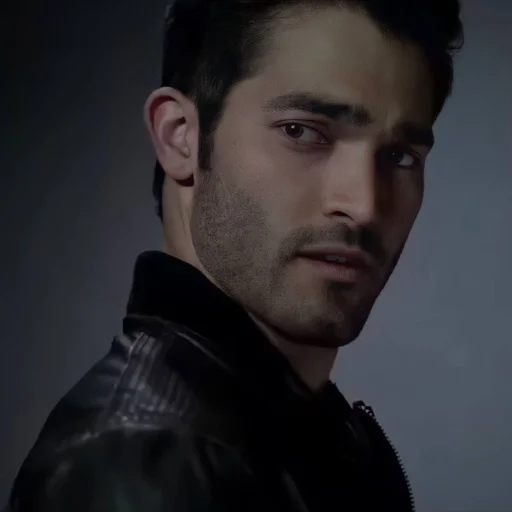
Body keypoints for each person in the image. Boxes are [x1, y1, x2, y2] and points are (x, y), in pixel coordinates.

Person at [8, 0, 463, 510]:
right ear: (180, 137)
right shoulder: (138, 464)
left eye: (401, 156)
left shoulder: (306, 435)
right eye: (301, 131)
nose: (364, 205)